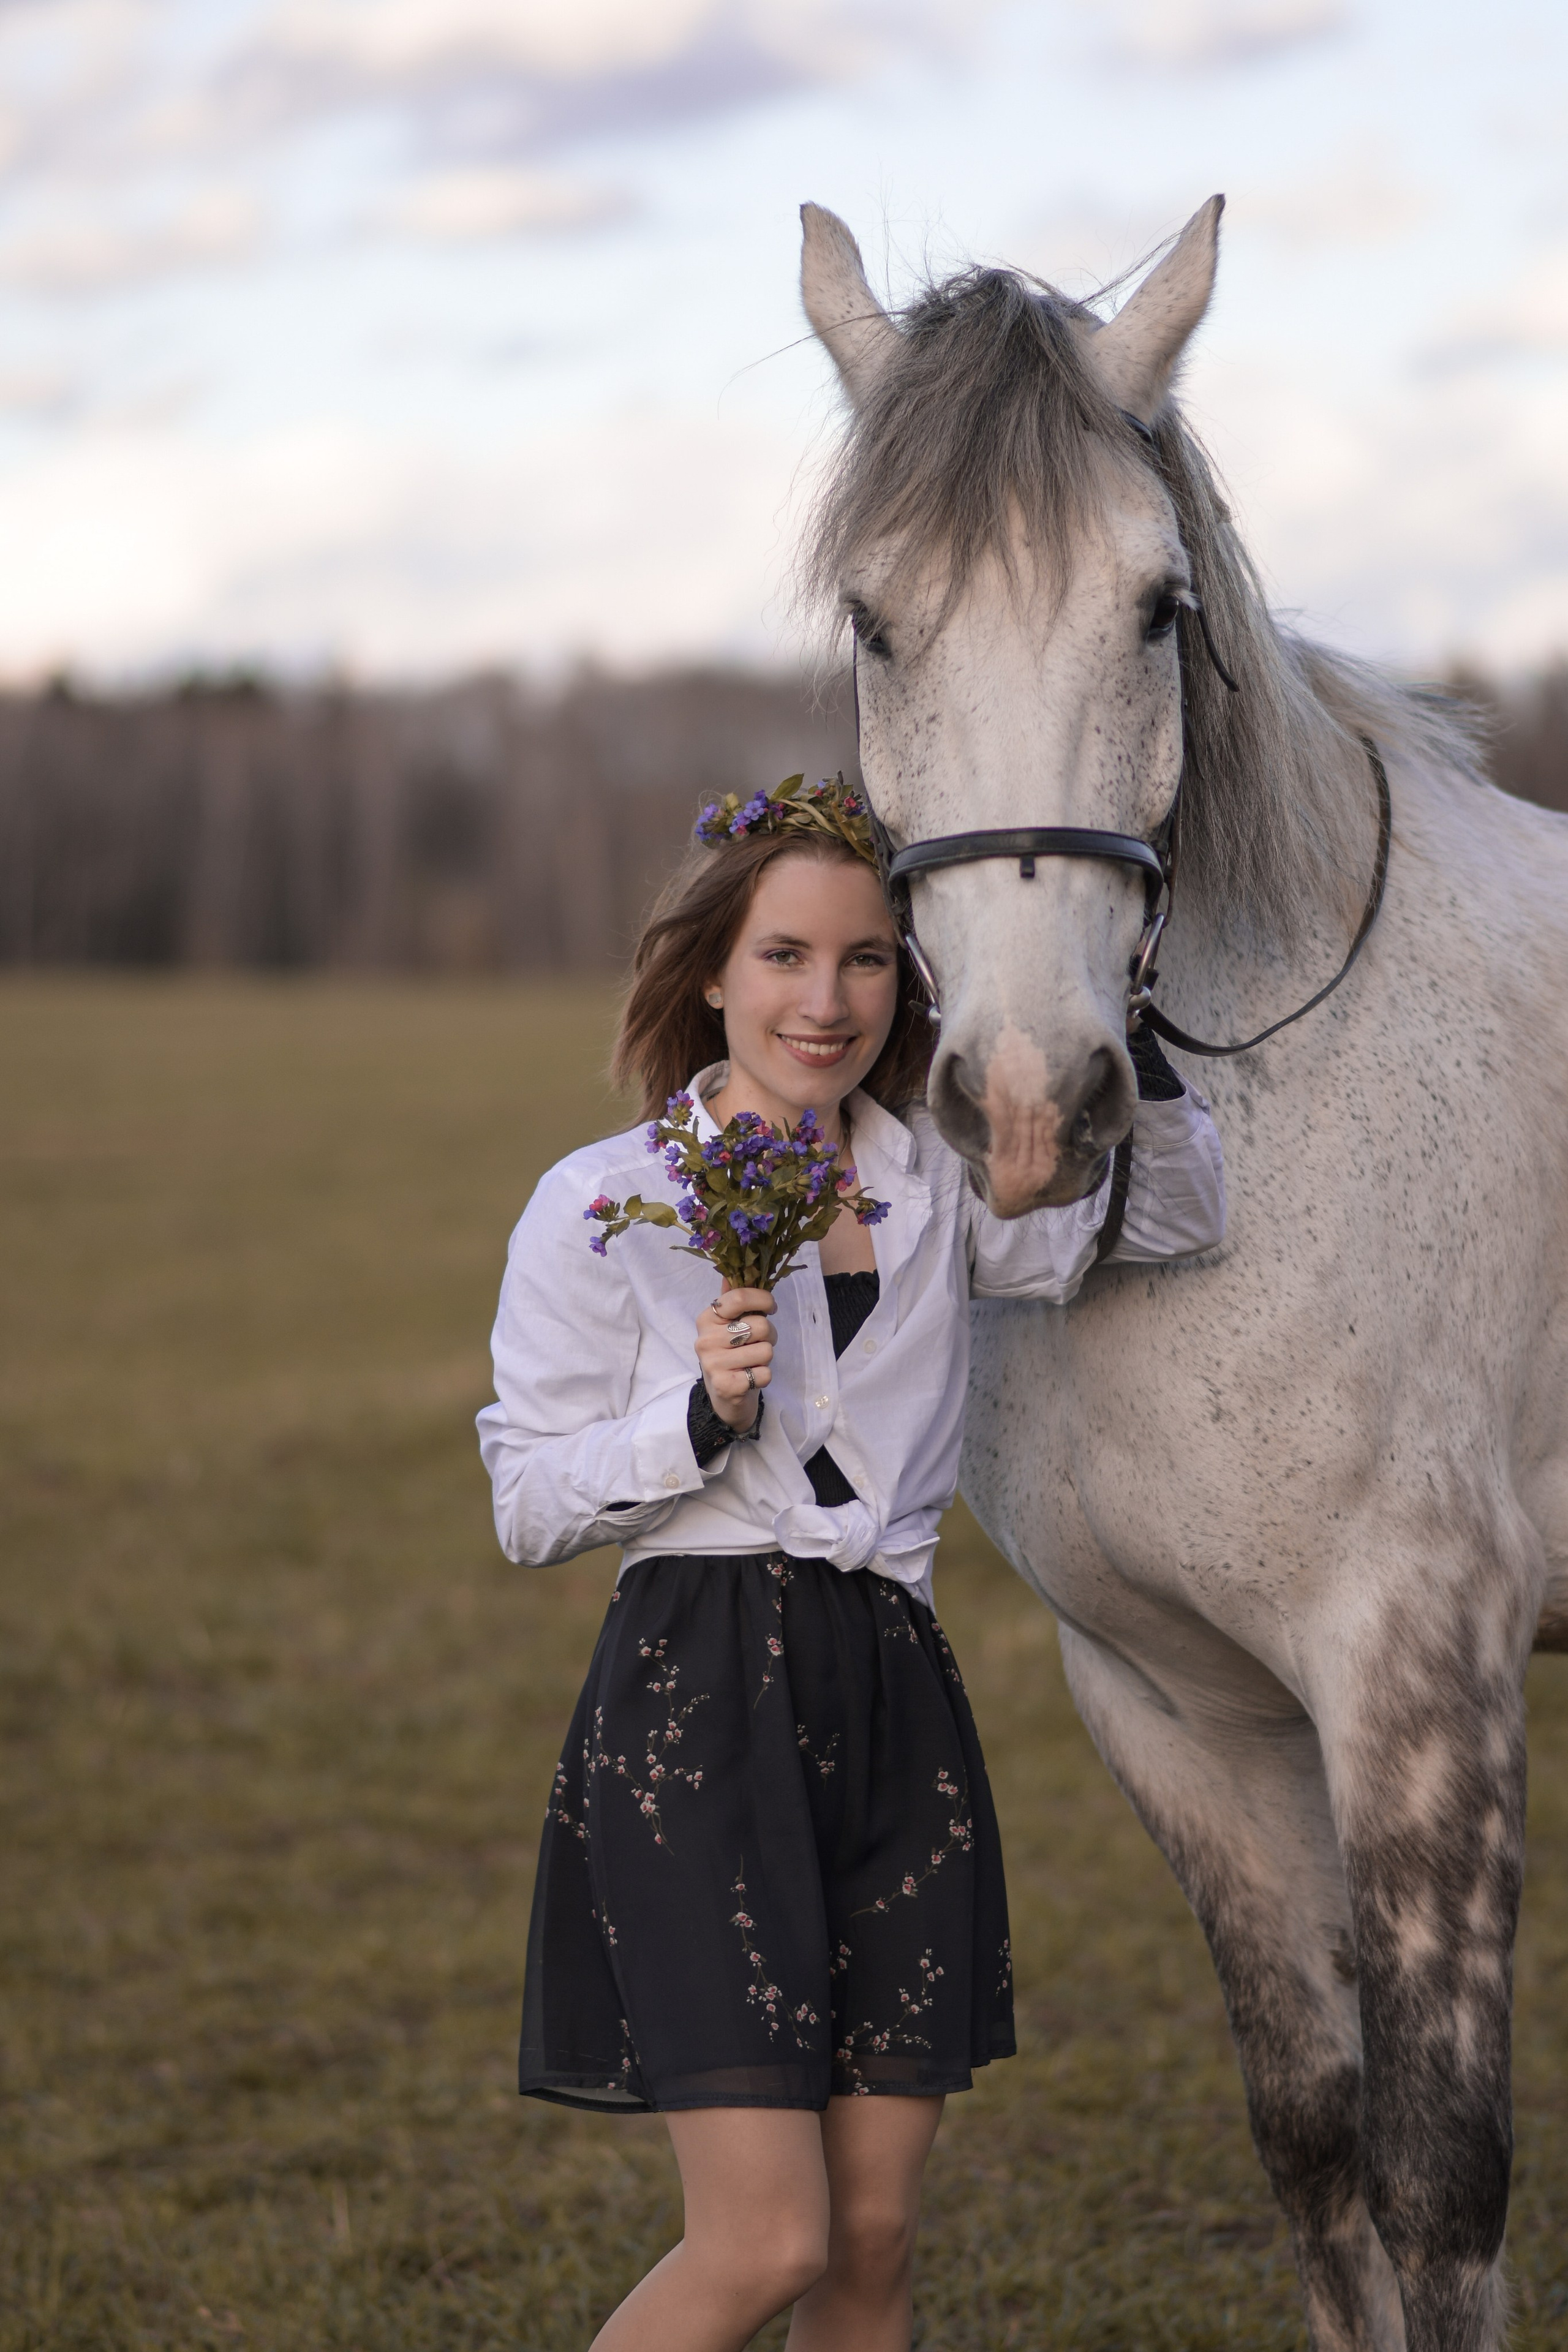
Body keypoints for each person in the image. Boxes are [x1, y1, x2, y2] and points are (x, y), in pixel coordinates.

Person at [477, 775, 1226, 2352]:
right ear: (709, 972)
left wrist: (1122, 1020)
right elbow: (527, 1503)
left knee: (872, 2240)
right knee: (767, 2239)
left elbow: (1166, 1216)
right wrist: (693, 1422)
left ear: (909, 977)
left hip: (893, 1694)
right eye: (784, 956)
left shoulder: (939, 1177)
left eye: (867, 959)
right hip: (697, 1702)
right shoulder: (604, 1202)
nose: (826, 1002)